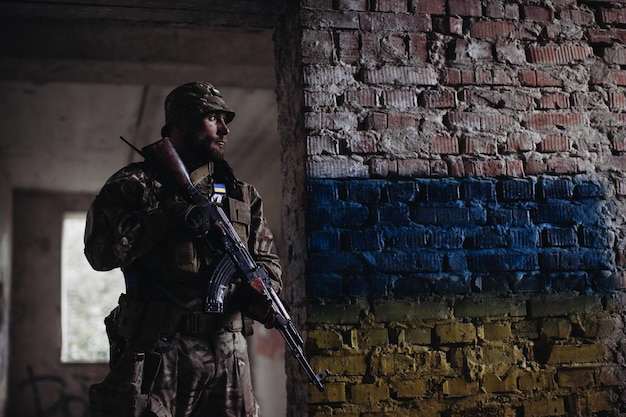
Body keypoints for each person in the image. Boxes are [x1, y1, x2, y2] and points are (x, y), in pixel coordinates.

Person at [84, 81, 282, 417]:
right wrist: (167, 215)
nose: (225, 129)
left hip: (229, 354)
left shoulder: (241, 194)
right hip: (159, 352)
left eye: (225, 119)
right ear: (179, 124)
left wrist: (265, 292)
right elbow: (100, 254)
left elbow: (268, 261)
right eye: (212, 118)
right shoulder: (135, 184)